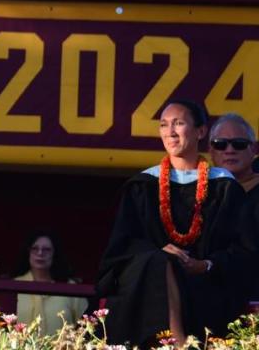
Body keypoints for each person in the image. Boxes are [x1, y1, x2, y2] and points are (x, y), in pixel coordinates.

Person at [97, 100, 245, 346]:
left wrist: (205, 265)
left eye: (178, 123)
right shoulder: (142, 186)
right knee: (158, 261)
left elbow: (242, 249)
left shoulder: (224, 187)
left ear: (200, 131)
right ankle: (178, 342)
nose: (170, 132)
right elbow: (121, 248)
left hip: (206, 285)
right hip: (148, 285)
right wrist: (158, 257)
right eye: (164, 125)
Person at [208, 113, 259, 306]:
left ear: (253, 149)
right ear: (211, 150)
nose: (229, 150)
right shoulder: (198, 192)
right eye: (221, 144)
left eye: (238, 144)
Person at [12, 231, 87, 334]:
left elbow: (85, 327)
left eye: (46, 250)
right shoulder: (14, 285)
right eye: (35, 249)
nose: (40, 253)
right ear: (28, 252)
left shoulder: (70, 287)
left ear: (55, 253)